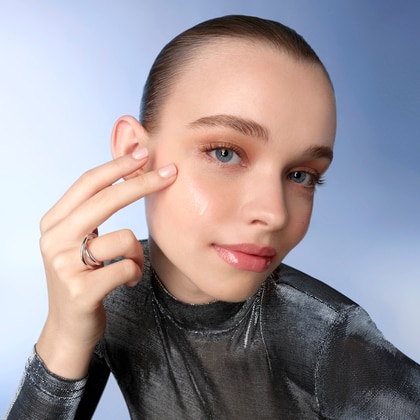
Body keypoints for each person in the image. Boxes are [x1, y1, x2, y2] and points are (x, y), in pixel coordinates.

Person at [5, 15, 420, 419]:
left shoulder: (326, 338)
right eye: (225, 153)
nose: (273, 213)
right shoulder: (110, 291)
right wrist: (64, 335)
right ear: (135, 153)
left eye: (301, 175)